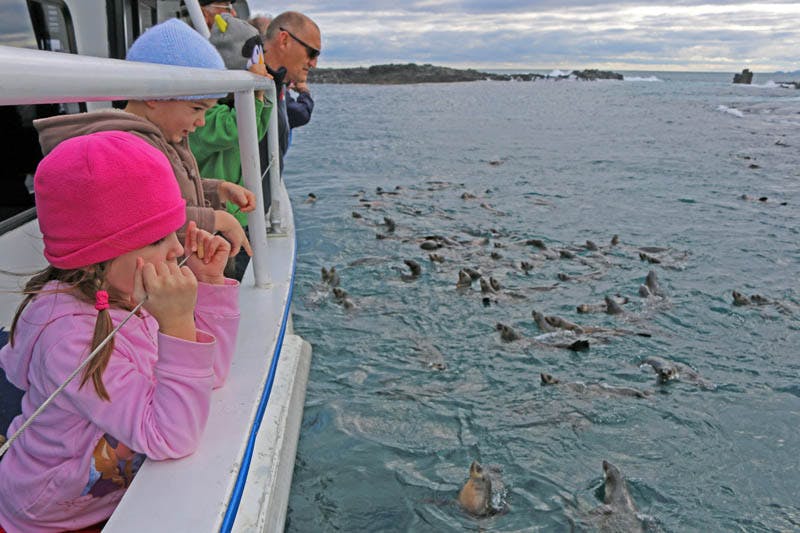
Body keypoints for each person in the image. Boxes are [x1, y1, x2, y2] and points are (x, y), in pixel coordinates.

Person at [0, 131, 240, 533]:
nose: (179, 250)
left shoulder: (127, 297)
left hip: (97, 497)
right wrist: (178, 325)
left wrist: (209, 287)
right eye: (158, 238)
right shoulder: (72, 341)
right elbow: (171, 436)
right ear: (100, 253)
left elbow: (208, 376)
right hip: (50, 517)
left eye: (175, 232)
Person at [34, 18, 255, 260]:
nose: (201, 121)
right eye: (196, 109)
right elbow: (144, 222)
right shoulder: (125, 153)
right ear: (154, 95)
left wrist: (217, 190)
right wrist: (215, 219)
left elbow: (169, 192)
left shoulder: (160, 137)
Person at [189, 13, 273, 279]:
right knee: (217, 280)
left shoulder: (230, 112)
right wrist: (255, 94)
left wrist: (260, 97)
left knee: (234, 276)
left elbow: (254, 130)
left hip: (235, 215)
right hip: (210, 220)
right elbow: (236, 128)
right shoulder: (206, 118)